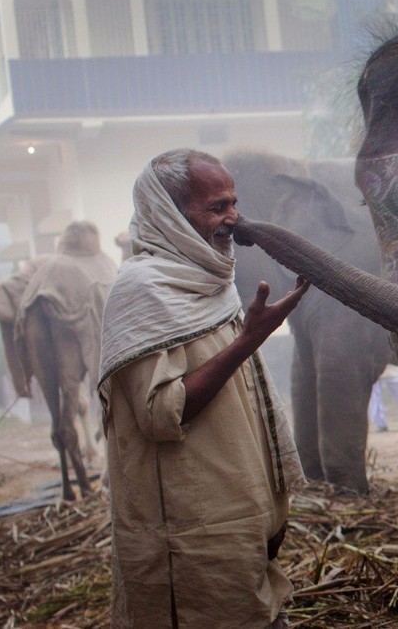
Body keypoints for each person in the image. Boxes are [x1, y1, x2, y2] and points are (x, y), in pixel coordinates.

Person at [98, 149, 308, 628]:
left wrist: (272, 510)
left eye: (233, 203)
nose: (232, 218)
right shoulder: (141, 291)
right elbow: (160, 413)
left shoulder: (211, 283)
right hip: (189, 537)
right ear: (169, 216)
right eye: (216, 207)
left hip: (236, 520)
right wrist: (250, 340)